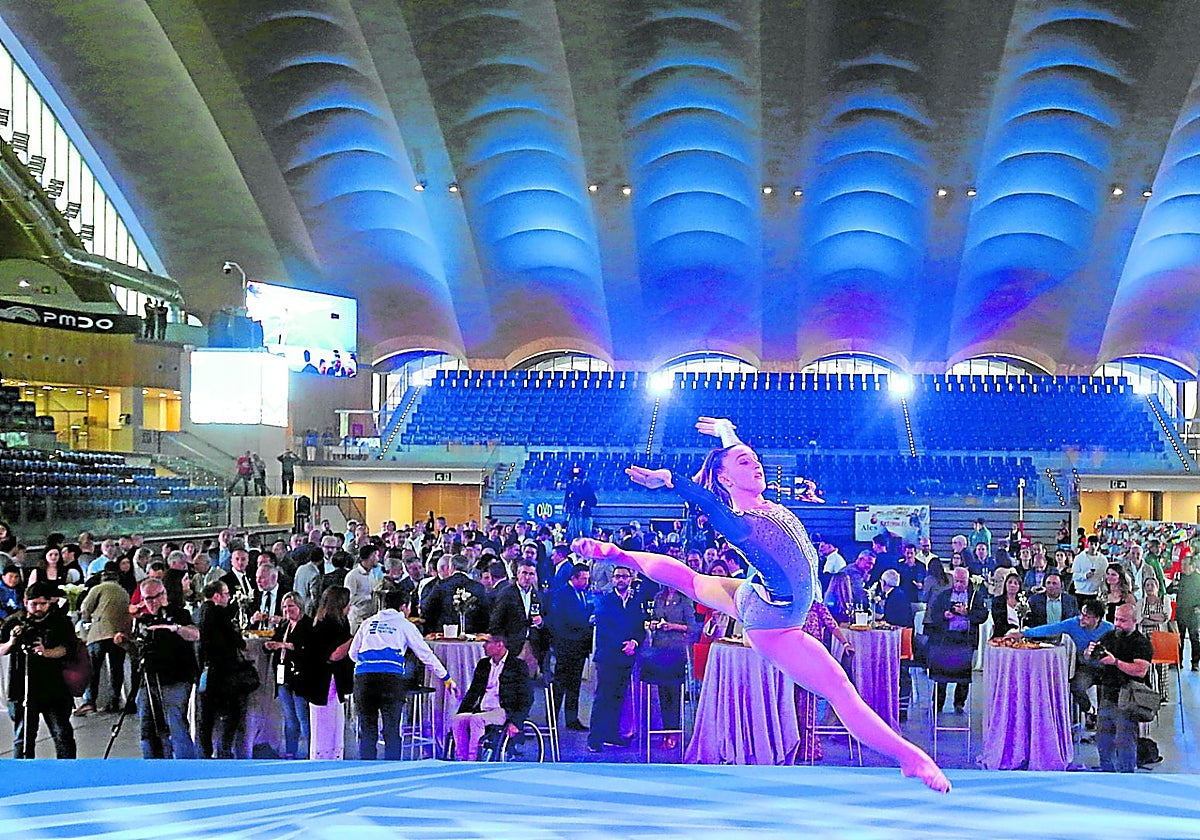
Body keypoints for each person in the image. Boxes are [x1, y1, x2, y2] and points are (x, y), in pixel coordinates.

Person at [573, 416, 949, 791]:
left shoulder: (764, 504)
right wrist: (671, 479)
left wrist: (726, 431)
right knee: (839, 689)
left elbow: (732, 458)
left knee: (693, 582)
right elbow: (707, 500)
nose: (756, 465)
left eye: (756, 460)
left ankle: (619, 555)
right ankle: (909, 758)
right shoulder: (739, 522)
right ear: (725, 479)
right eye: (744, 462)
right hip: (775, 623)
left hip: (757, 594)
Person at [349, 589, 452, 760]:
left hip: (363, 678)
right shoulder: (405, 625)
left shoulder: (368, 623)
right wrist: (446, 677)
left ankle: (365, 768)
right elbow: (425, 654)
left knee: (367, 730)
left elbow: (353, 653)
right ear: (404, 607)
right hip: (390, 679)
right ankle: (392, 768)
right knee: (391, 729)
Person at [118, 578, 199, 759]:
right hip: (147, 680)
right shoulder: (142, 621)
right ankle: (153, 766)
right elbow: (138, 652)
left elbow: (195, 634)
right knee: (147, 730)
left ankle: (186, 768)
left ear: (164, 594)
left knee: (176, 726)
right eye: (148, 598)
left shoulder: (180, 614)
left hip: (175, 678)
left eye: (157, 596)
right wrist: (125, 643)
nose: (153, 602)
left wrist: (174, 628)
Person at [0, 581, 77, 758]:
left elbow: (68, 649)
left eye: (43, 603)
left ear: (50, 602)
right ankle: (23, 770)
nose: (39, 608)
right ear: (25, 602)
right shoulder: (14, 621)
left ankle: (68, 769)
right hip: (21, 686)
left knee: (62, 734)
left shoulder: (60, 622)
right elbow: (1, 649)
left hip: (54, 686)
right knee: (23, 737)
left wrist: (46, 652)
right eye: (34, 604)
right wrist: (12, 641)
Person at [1020, 600, 1113, 725]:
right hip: (1087, 667)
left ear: (1097, 619)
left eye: (1087, 617)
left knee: (1111, 691)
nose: (1082, 618)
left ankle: (1107, 721)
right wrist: (1023, 633)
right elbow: (1051, 628)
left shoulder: (1109, 629)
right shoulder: (1073, 623)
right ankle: (1090, 711)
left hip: (1108, 667)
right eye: (1081, 614)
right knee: (1076, 686)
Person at [1086, 603, 1152, 773]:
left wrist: (1115, 662)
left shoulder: (1141, 643)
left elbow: (1140, 670)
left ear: (1134, 621)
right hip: (1107, 693)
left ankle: (1126, 775)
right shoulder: (1109, 636)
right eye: (1116, 619)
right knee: (1103, 738)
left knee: (1125, 740)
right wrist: (1090, 652)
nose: (1117, 624)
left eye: (1123, 620)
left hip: (1128, 697)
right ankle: (1107, 772)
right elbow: (1091, 656)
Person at [586, 565, 645, 753]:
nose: (621, 580)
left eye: (624, 576)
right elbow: (605, 629)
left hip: (627, 658)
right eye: (618, 576)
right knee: (603, 697)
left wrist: (634, 642)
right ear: (612, 579)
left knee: (618, 697)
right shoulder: (605, 601)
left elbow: (639, 628)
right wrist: (623, 645)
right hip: (608, 656)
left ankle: (611, 734)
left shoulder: (636, 602)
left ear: (630, 579)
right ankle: (594, 738)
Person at [450, 633, 532, 760]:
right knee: (458, 720)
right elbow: (473, 693)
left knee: (477, 720)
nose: (484, 646)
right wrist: (462, 712)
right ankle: (462, 758)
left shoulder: (517, 666)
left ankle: (473, 759)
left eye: (487, 642)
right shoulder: (483, 664)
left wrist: (516, 722)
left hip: (503, 710)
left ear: (499, 644)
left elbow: (526, 697)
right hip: (483, 709)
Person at [925, 566, 988, 714]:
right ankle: (938, 703)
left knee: (963, 674)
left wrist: (967, 613)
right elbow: (933, 614)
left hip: (965, 639)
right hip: (946, 639)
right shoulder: (943, 595)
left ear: (968, 581)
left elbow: (983, 616)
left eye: (962, 581)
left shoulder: (975, 596)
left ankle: (959, 703)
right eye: (957, 581)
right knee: (941, 673)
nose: (959, 584)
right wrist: (944, 615)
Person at [641, 584, 697, 749]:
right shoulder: (659, 597)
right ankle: (665, 730)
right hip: (659, 648)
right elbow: (653, 618)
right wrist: (653, 624)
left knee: (674, 693)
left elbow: (692, 627)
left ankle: (674, 732)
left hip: (676, 650)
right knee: (663, 692)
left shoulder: (684, 600)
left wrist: (673, 626)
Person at [197, 580, 248, 758]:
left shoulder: (199, 612)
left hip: (206, 669)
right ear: (217, 596)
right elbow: (235, 640)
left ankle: (205, 752)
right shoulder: (218, 613)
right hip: (223, 672)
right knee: (232, 712)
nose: (229, 597)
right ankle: (224, 750)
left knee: (206, 717)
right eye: (226, 594)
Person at [304, 586, 354, 759]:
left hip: (330, 681)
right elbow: (334, 655)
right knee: (325, 726)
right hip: (324, 682)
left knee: (334, 724)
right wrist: (354, 639)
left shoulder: (334, 622)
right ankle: (324, 759)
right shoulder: (328, 625)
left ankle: (333, 757)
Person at [76, 564, 132, 715]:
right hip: (119, 635)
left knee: (93, 670)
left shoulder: (98, 588)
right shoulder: (124, 592)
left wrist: (86, 621)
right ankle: (115, 701)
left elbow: (85, 608)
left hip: (99, 633)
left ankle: (90, 702)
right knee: (116, 669)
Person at [263, 592, 313, 759]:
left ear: (299, 606)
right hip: (283, 676)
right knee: (289, 717)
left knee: (302, 716)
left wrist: (284, 645)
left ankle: (311, 751)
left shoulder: (307, 624)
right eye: (284, 607)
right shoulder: (284, 625)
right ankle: (290, 751)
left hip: (300, 677)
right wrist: (269, 646)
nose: (287, 610)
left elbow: (305, 647)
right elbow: (276, 643)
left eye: (291, 606)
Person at [547, 563, 593, 731]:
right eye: (584, 579)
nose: (587, 582)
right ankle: (552, 718)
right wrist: (587, 621)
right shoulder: (561, 595)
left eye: (588, 579)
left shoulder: (584, 594)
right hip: (566, 647)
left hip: (580, 647)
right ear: (573, 578)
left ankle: (572, 719)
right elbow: (562, 621)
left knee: (575, 684)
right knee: (560, 684)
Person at [489, 556, 547, 676]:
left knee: (528, 682)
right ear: (517, 574)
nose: (527, 577)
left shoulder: (538, 596)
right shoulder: (506, 593)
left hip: (532, 646)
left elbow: (544, 620)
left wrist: (540, 622)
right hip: (511, 646)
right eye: (524, 573)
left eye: (531, 574)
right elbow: (496, 621)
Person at [1168, 557, 1200, 670]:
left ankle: (1195, 662)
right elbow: (1169, 591)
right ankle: (1177, 661)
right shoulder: (1180, 577)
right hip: (1181, 612)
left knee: (1194, 638)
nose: (1183, 567)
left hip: (1193, 612)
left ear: (1192, 566)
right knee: (1178, 638)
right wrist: (1173, 584)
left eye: (1185, 564)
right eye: (1182, 564)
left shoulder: (1198, 578)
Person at [990, 571, 1025, 638]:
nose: (1012, 585)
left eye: (1015, 583)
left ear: (1019, 587)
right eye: (1010, 582)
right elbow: (998, 622)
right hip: (1003, 635)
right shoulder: (997, 601)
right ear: (1005, 584)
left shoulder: (1023, 602)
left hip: (1021, 635)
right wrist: (1011, 631)